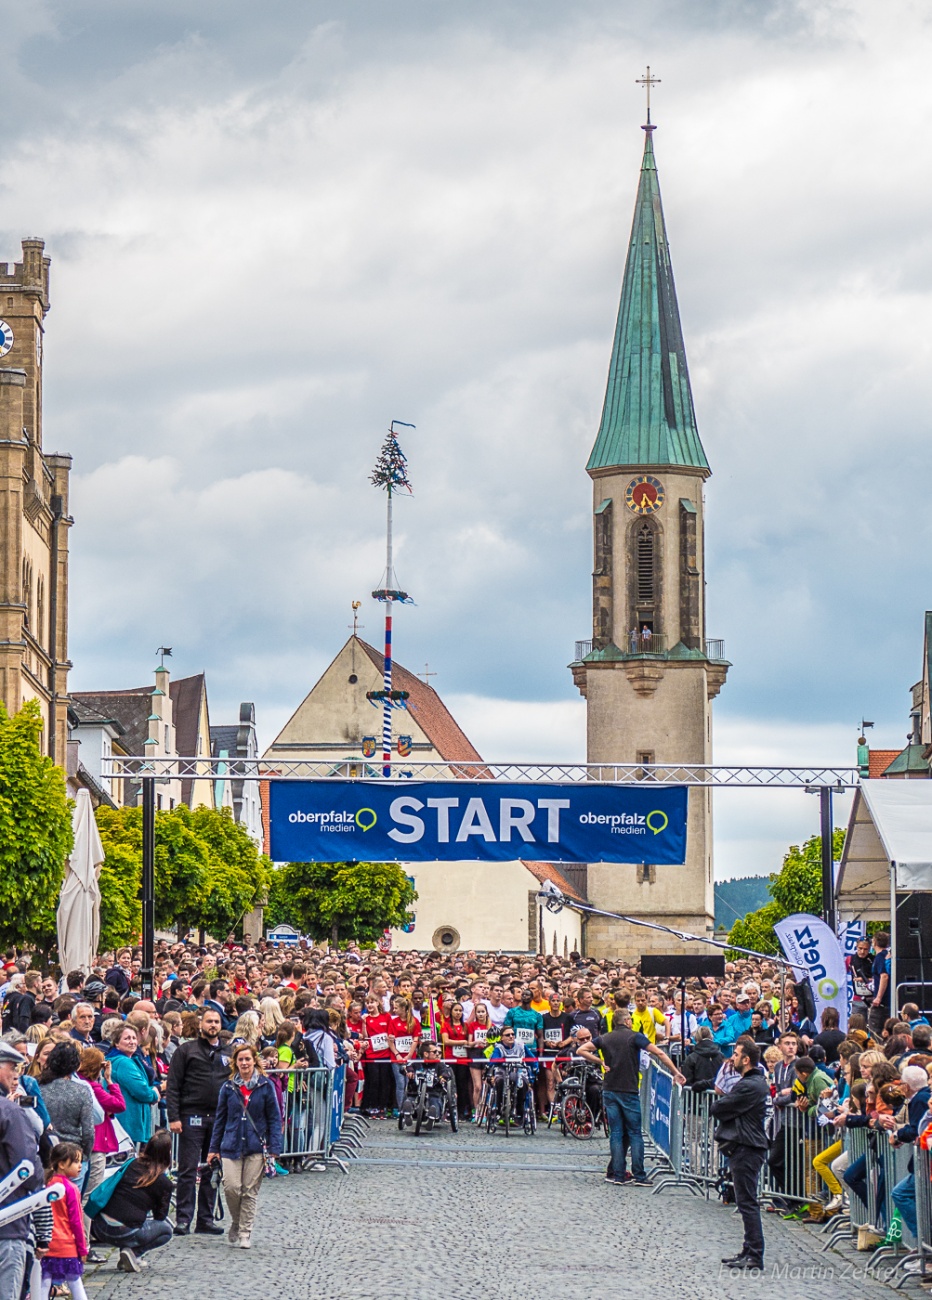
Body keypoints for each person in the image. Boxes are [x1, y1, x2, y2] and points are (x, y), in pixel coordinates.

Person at [578, 1007, 684, 1185]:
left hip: (610, 1088)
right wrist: (674, 1072)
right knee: (635, 1133)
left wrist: (600, 1061)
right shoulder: (635, 1036)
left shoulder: (605, 1037)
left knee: (616, 1133)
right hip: (629, 1089)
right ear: (627, 1021)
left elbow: (582, 1049)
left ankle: (618, 1174)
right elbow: (658, 1052)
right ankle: (639, 1174)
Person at [207, 1044, 282, 1249]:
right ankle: (237, 1221)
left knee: (249, 1191)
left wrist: (275, 1148)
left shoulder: (265, 1086)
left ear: (254, 1061)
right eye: (240, 1060)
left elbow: (275, 1118)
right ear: (235, 1063)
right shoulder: (228, 1087)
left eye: (248, 1059)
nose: (244, 1063)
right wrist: (213, 1148)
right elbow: (220, 1120)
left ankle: (245, 1232)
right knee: (231, 1187)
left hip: (256, 1145)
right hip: (231, 1144)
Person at [165, 1008, 230, 1236]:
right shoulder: (186, 1050)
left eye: (216, 1021)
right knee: (188, 1170)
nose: (213, 1025)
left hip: (218, 1118)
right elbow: (173, 1085)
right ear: (201, 1024)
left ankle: (205, 1218)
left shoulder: (228, 1051)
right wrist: (173, 1117)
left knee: (212, 1170)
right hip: (191, 1116)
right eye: (209, 1021)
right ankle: (183, 1218)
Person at [711, 1037, 769, 1272]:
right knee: (745, 1201)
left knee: (747, 1202)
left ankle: (755, 1253)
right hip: (745, 1144)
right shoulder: (753, 1083)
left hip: (747, 1146)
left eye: (735, 1054)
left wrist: (725, 1106)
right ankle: (749, 1248)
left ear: (746, 1059)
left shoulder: (749, 1086)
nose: (732, 1058)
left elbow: (719, 1107)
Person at [89, 1130, 174, 1272]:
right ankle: (134, 1253)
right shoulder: (164, 1182)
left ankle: (127, 1253)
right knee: (166, 1229)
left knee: (131, 1218)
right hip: (124, 1231)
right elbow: (160, 1216)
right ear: (167, 1154)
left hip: (99, 1226)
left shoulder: (131, 1164)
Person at [0, 1041, 44, 1300]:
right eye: (10, 1067)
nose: (15, 1074)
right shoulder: (10, 1111)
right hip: (7, 1221)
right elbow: (27, 1166)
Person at [38, 1042, 96, 1173]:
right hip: (73, 1156)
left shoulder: (39, 1088)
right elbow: (88, 1132)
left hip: (46, 1153)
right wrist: (84, 1156)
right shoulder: (81, 1091)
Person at [41, 1141, 88, 1299]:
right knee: (75, 1282)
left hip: (46, 1244)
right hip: (66, 1245)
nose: (80, 1165)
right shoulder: (70, 1189)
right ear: (61, 1164)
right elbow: (76, 1222)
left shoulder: (45, 1185)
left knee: (43, 1282)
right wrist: (82, 1249)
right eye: (76, 1162)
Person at [78, 1048, 126, 1198]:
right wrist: (109, 1080)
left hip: (81, 1142)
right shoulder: (92, 1087)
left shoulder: (77, 1082)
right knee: (89, 1194)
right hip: (95, 1143)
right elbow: (119, 1105)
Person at [106, 1023, 160, 1146]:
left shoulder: (130, 1060)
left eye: (134, 1038)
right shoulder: (123, 1063)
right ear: (116, 1043)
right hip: (127, 1123)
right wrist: (155, 1093)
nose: (132, 1042)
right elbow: (142, 1091)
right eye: (127, 1038)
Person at [681, 1026, 724, 1091]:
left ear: (696, 1039)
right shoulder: (721, 1056)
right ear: (711, 1037)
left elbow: (687, 1081)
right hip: (717, 1096)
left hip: (696, 1096)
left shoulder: (691, 1058)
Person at [869, 931, 891, 1041]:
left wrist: (878, 997)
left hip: (881, 1003)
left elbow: (884, 976)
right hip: (887, 1001)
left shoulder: (880, 957)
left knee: (875, 1032)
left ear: (875, 942)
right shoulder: (887, 956)